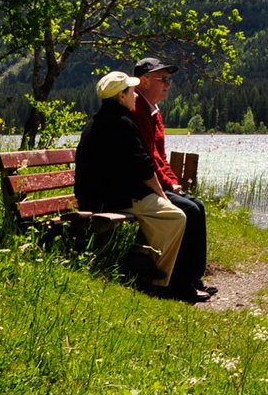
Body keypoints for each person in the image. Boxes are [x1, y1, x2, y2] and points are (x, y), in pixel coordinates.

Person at [75, 71, 205, 302]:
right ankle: (154, 275)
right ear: (122, 96)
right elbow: (144, 167)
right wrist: (160, 194)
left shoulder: (94, 123)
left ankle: (150, 263)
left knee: (180, 212)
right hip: (117, 199)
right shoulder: (123, 123)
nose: (135, 95)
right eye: (131, 91)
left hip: (97, 197)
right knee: (176, 216)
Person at [131, 56, 214, 298]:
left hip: (156, 183)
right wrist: (167, 185)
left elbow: (160, 157)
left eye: (169, 79)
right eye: (163, 79)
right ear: (144, 81)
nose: (168, 83)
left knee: (197, 206)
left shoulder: (154, 111)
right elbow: (145, 159)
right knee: (189, 210)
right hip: (143, 188)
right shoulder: (137, 109)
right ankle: (180, 284)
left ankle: (193, 277)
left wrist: (173, 182)